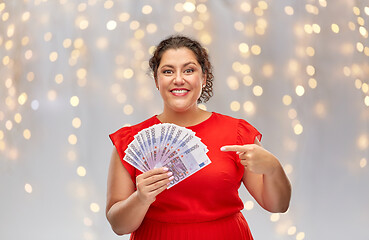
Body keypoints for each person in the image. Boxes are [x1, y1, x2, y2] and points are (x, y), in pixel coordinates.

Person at [106, 35, 291, 240]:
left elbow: (278, 206)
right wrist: (140, 198)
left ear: (203, 77)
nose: (178, 79)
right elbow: (118, 226)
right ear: (157, 80)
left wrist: (274, 168)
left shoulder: (237, 133)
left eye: (189, 70)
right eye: (168, 71)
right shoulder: (130, 141)